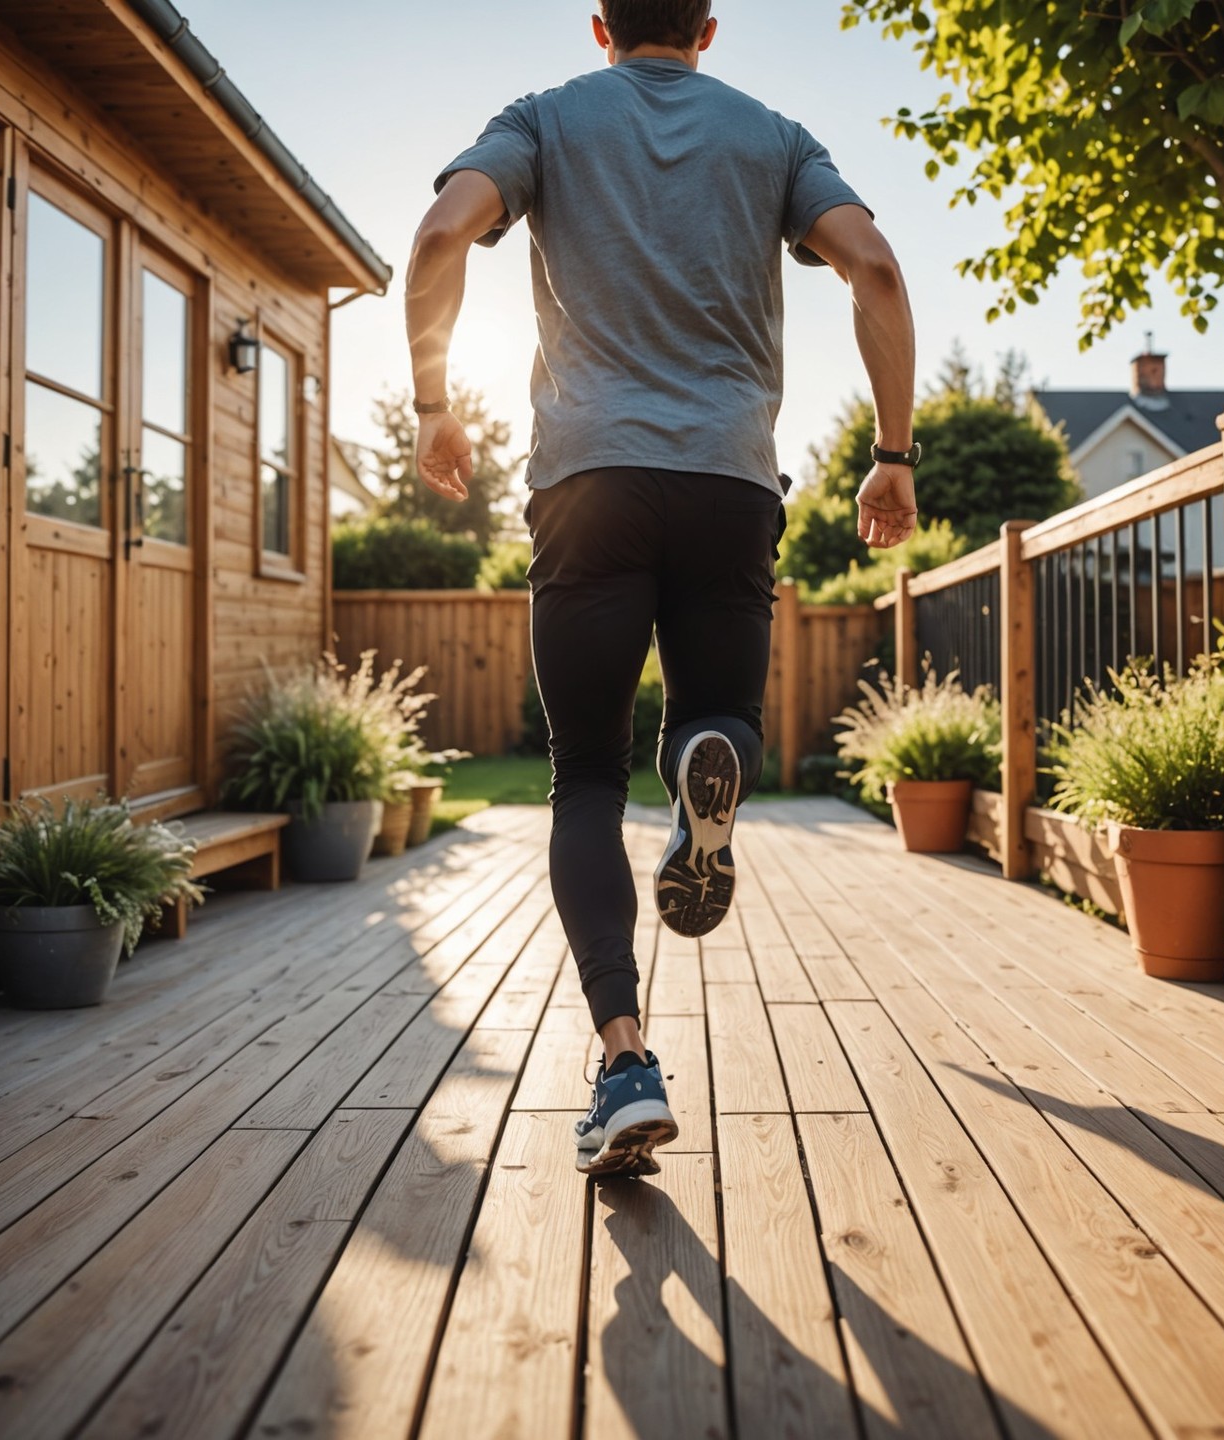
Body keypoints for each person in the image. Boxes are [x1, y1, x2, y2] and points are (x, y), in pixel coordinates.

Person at [406, 0, 917, 1177]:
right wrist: (891, 456)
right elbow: (876, 269)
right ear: (708, 28)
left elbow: (441, 240)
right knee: (714, 717)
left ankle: (624, 1060)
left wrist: (434, 402)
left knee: (584, 772)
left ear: (600, 26)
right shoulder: (779, 138)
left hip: (587, 483)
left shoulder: (542, 121)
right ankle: (705, 769)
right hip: (730, 484)